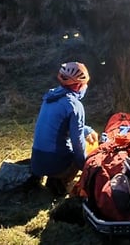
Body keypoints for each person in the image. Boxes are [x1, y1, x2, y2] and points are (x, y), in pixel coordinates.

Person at [30, 61, 98, 196]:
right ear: (79, 85)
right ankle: (60, 181)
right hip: (54, 162)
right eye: (85, 84)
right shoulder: (74, 105)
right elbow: (77, 141)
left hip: (37, 160)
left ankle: (47, 175)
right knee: (89, 147)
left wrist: (88, 130)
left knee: (83, 138)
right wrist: (84, 167)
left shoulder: (51, 96)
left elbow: (62, 125)